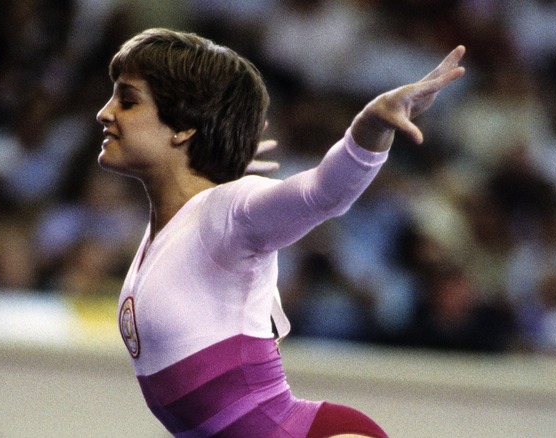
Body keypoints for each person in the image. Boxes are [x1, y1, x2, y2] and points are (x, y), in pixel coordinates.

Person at [95, 28, 465, 438]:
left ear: (183, 128)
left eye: (127, 101)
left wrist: (371, 127)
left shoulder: (229, 213)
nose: (105, 113)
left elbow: (322, 192)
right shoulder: (175, 228)